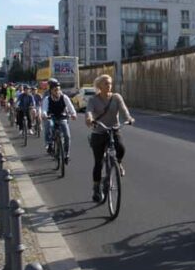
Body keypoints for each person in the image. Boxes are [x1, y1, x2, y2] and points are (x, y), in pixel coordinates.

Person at [85, 74, 134, 203]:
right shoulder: (93, 100)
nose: (109, 85)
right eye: (106, 83)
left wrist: (128, 118)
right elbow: (89, 111)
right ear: (99, 86)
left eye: (110, 83)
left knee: (121, 148)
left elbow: (124, 110)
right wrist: (89, 119)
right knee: (98, 162)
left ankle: (118, 163)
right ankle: (96, 187)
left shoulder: (116, 97)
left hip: (113, 129)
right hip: (99, 132)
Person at [41, 78, 77, 162]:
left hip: (62, 117)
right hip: (51, 117)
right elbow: (44, 109)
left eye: (58, 89)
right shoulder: (47, 99)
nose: (57, 91)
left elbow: (70, 107)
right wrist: (44, 114)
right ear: (51, 91)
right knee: (49, 124)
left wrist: (73, 114)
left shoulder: (64, 97)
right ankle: (49, 144)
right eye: (55, 90)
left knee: (67, 135)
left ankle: (66, 154)